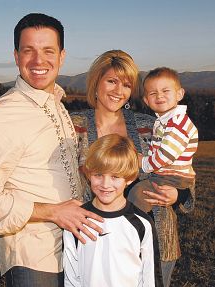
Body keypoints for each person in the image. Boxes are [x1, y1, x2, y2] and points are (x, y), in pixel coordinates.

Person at [0, 13, 103, 287]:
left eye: (48, 51)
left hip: (74, 250)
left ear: (62, 56)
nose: (39, 61)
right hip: (33, 258)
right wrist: (53, 212)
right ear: (16, 56)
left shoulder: (57, 104)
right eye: (28, 51)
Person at [70, 50, 195, 287]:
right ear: (96, 82)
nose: (119, 91)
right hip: (96, 243)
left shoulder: (150, 125)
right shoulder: (74, 126)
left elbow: (184, 169)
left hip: (156, 240)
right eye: (111, 81)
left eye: (126, 85)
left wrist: (178, 195)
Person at [63, 134, 163, 287]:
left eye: (115, 176)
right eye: (98, 175)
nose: (105, 184)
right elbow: (70, 277)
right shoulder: (76, 221)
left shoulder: (142, 224)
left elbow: (150, 277)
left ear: (129, 178)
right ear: (89, 174)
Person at [127, 67, 198, 212]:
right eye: (153, 93)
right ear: (146, 100)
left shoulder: (177, 123)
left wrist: (144, 162)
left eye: (166, 91)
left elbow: (166, 155)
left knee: (138, 196)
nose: (159, 96)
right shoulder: (165, 121)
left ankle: (134, 227)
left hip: (173, 178)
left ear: (179, 94)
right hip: (168, 175)